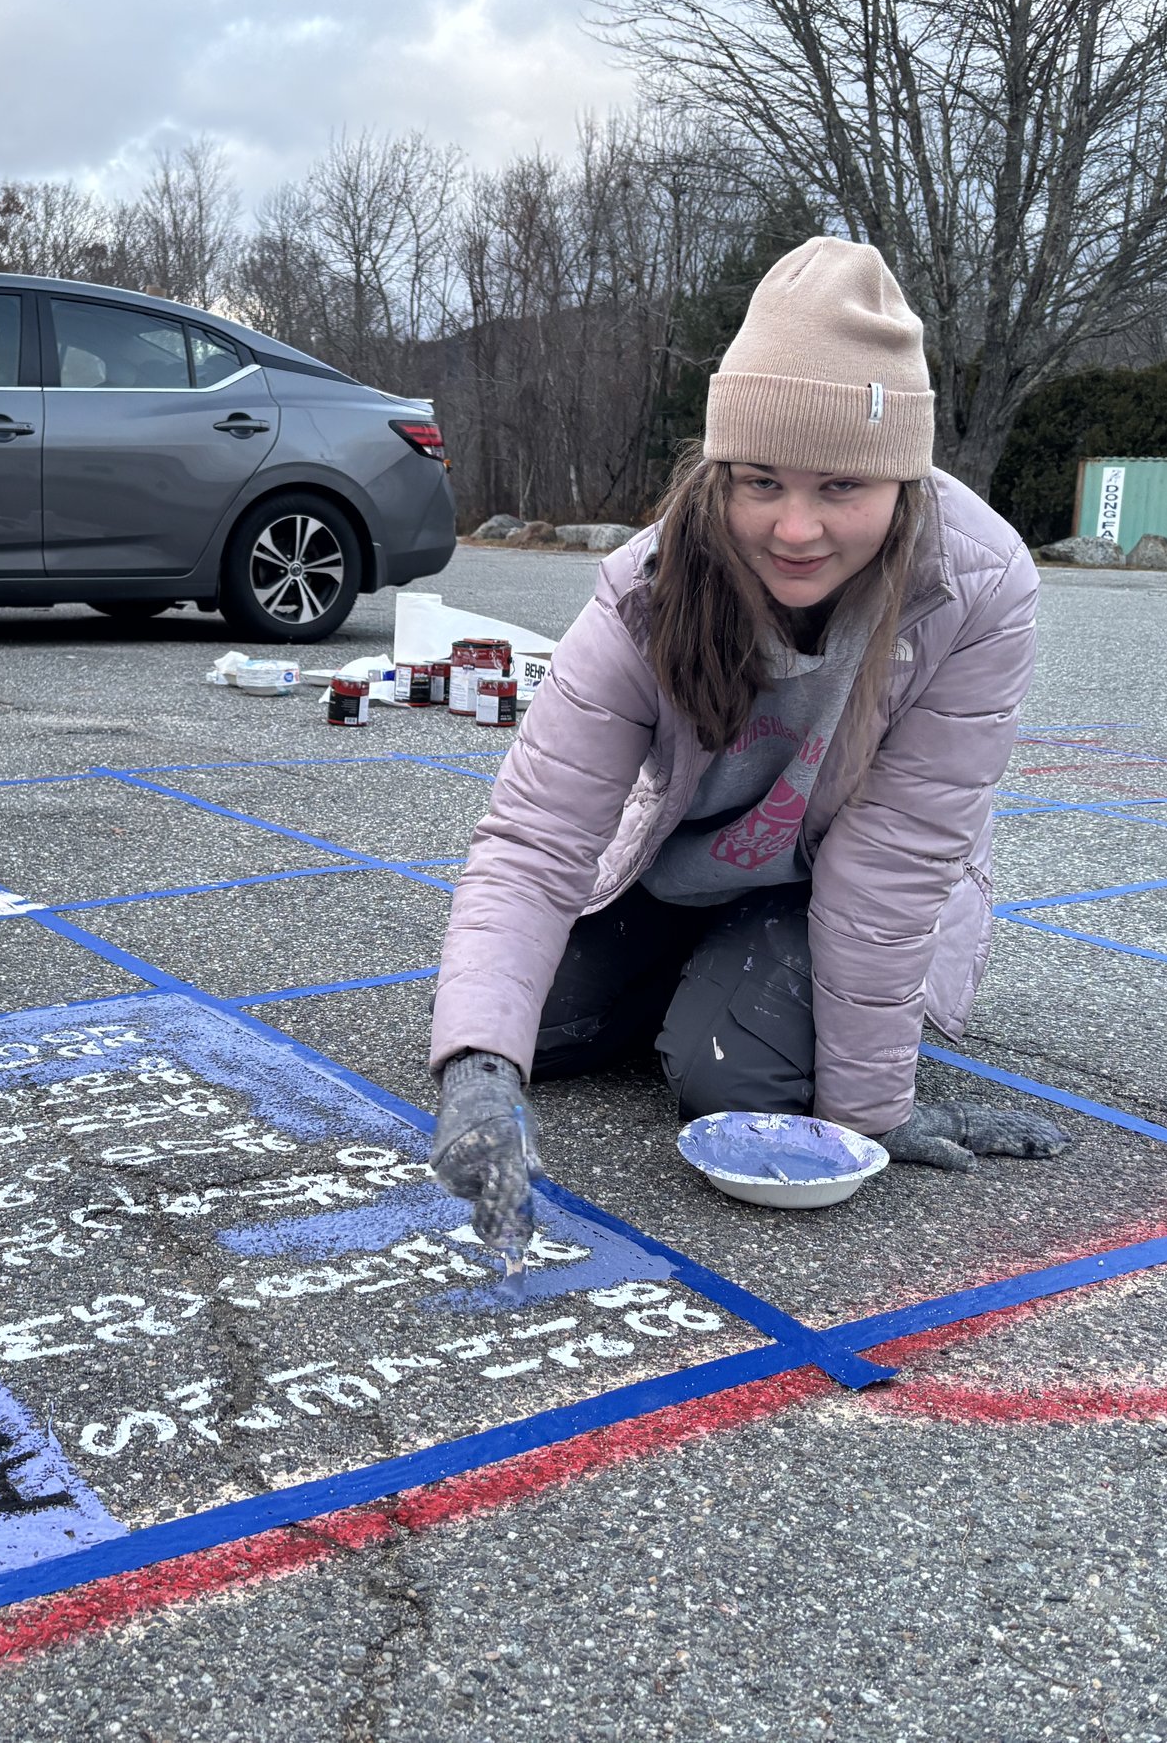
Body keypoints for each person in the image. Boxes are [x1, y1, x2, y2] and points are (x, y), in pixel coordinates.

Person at [428, 236, 1068, 1252]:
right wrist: (476, 1075)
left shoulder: (980, 586)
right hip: (684, 870)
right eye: (760, 481)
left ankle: (740, 989)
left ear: (902, 482)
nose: (795, 528)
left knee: (729, 1080)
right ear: (718, 471)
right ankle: (702, 972)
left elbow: (897, 861)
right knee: (516, 1033)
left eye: (841, 488)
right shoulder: (647, 586)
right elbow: (538, 837)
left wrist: (871, 1112)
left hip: (826, 886)